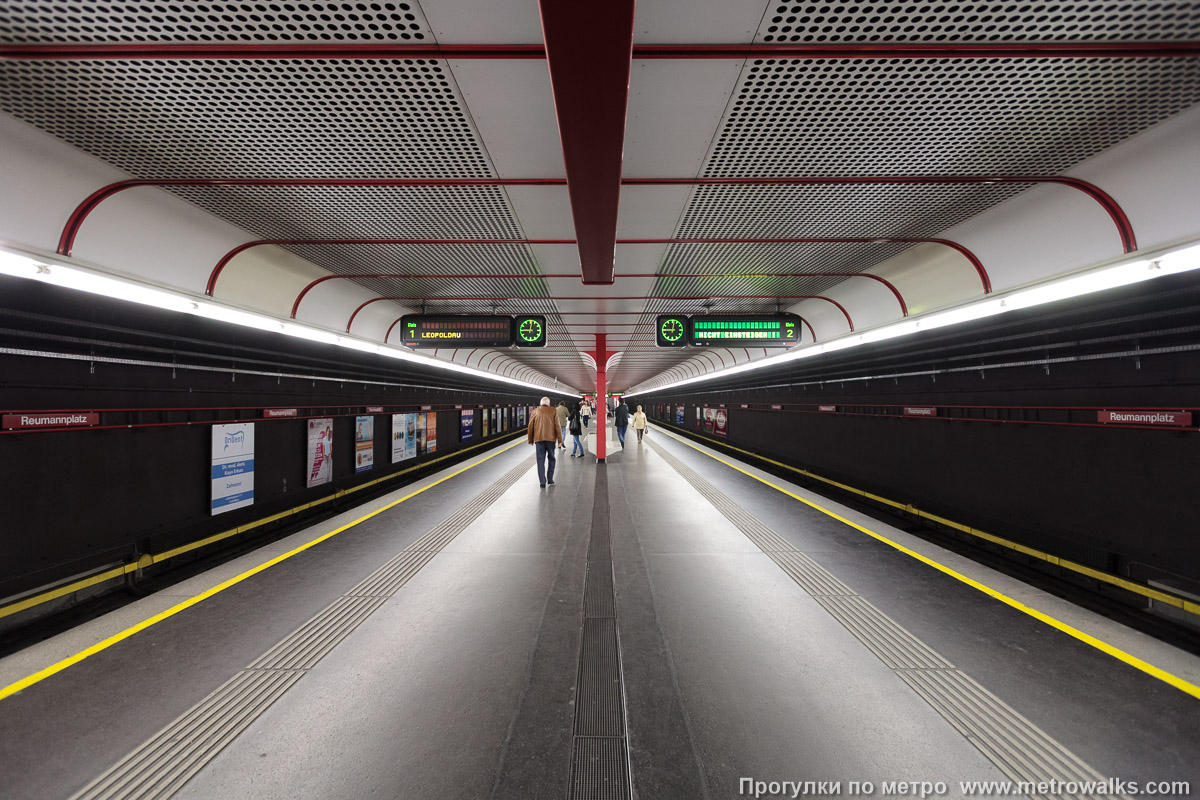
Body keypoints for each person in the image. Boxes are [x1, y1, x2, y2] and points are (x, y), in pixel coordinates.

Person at [527, 396, 562, 487]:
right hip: (550, 440)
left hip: (539, 440)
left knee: (540, 460)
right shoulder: (553, 410)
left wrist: (530, 439)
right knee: (552, 459)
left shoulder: (535, 411)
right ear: (549, 403)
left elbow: (530, 426)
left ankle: (542, 481)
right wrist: (560, 440)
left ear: (540, 403)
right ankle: (550, 479)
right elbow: (557, 426)